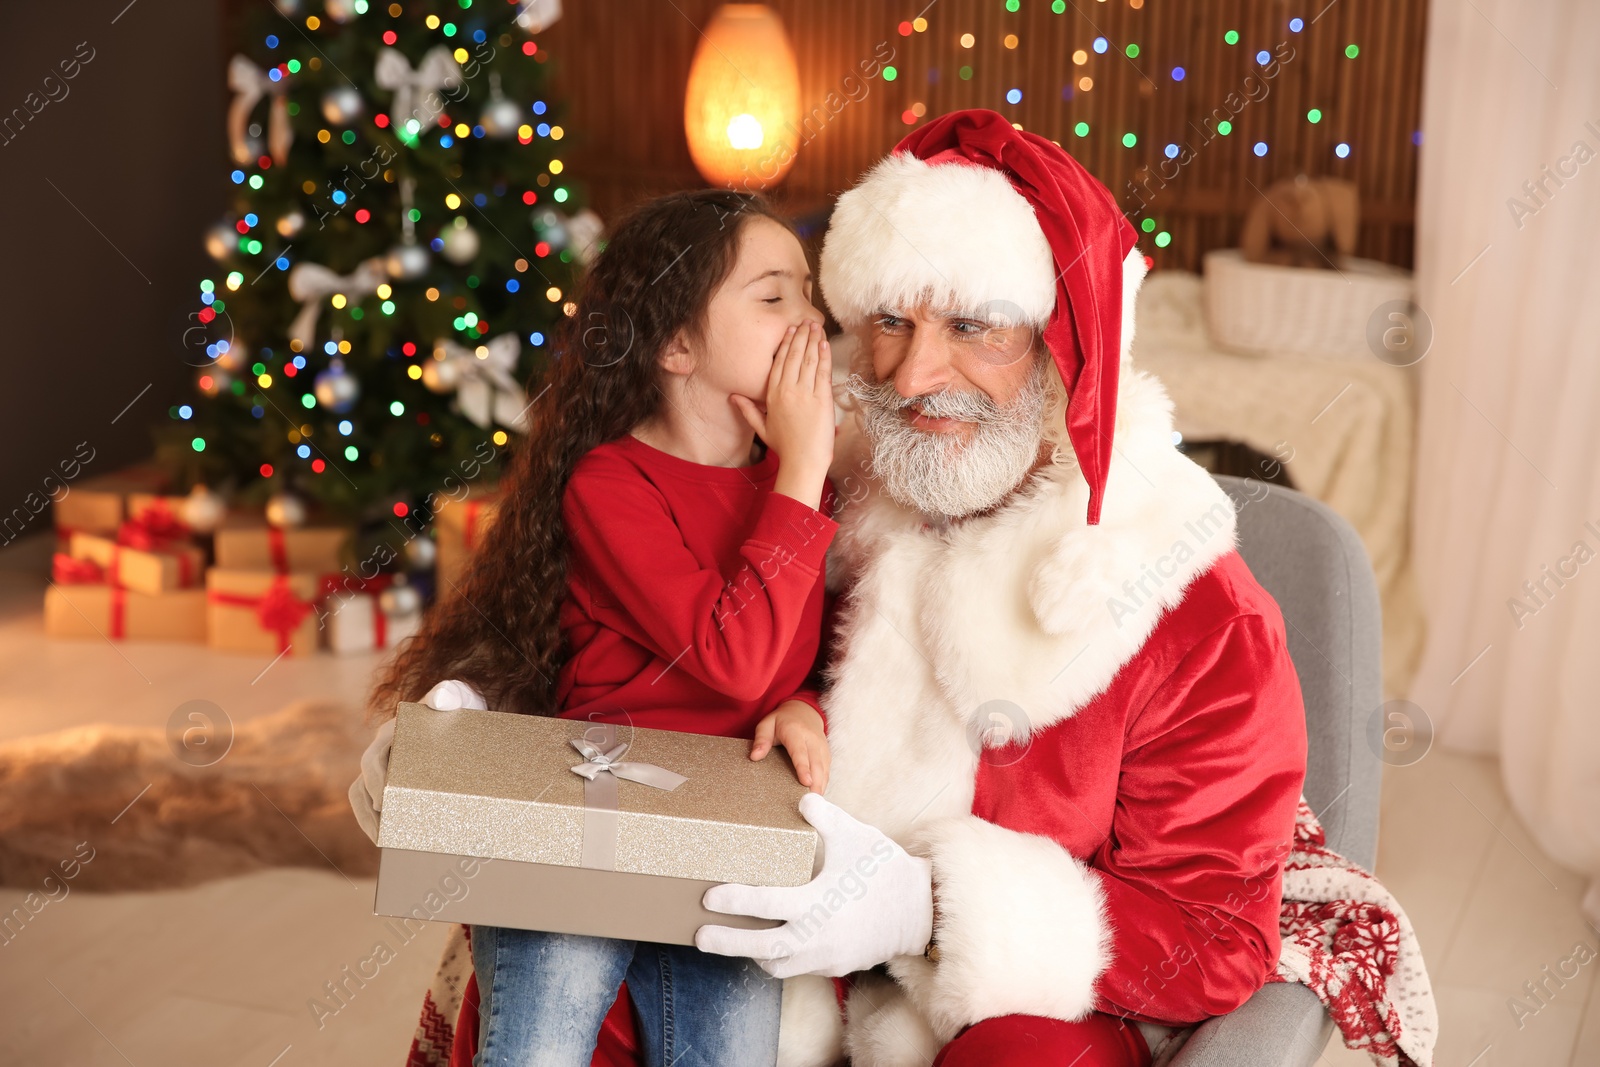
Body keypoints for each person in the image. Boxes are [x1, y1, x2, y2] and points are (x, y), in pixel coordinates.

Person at [686, 109, 1309, 1067]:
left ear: (1065, 351)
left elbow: (1213, 940)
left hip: (1010, 1010)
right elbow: (668, 650)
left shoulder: (1191, 605)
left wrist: (926, 908)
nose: (915, 371)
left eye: (975, 327)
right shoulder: (825, 494)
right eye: (890, 320)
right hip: (796, 969)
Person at [357, 188, 841, 1067]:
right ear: (677, 344)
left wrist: (806, 702)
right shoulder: (611, 483)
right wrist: (803, 468)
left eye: (810, 293)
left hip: (727, 832)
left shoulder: (803, 492)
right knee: (535, 1049)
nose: (810, 320)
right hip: (585, 825)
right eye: (774, 296)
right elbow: (731, 657)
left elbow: (790, 658)